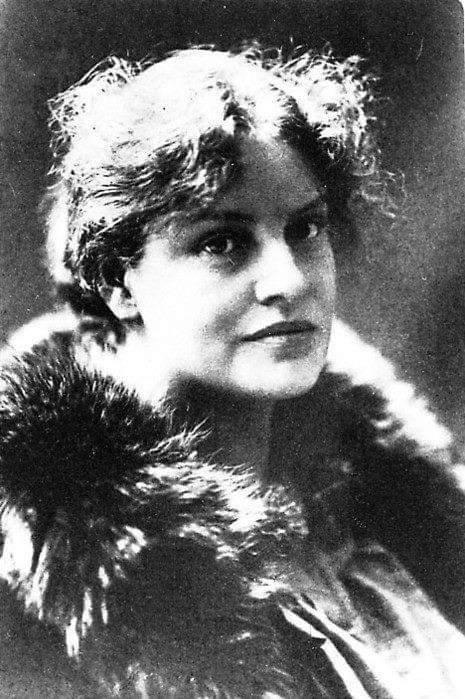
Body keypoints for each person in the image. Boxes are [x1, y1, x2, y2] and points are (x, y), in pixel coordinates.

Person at [0, 45, 464, 698]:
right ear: (116, 282)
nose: (288, 280)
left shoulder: (384, 527)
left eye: (304, 229)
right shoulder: (48, 597)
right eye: (221, 242)